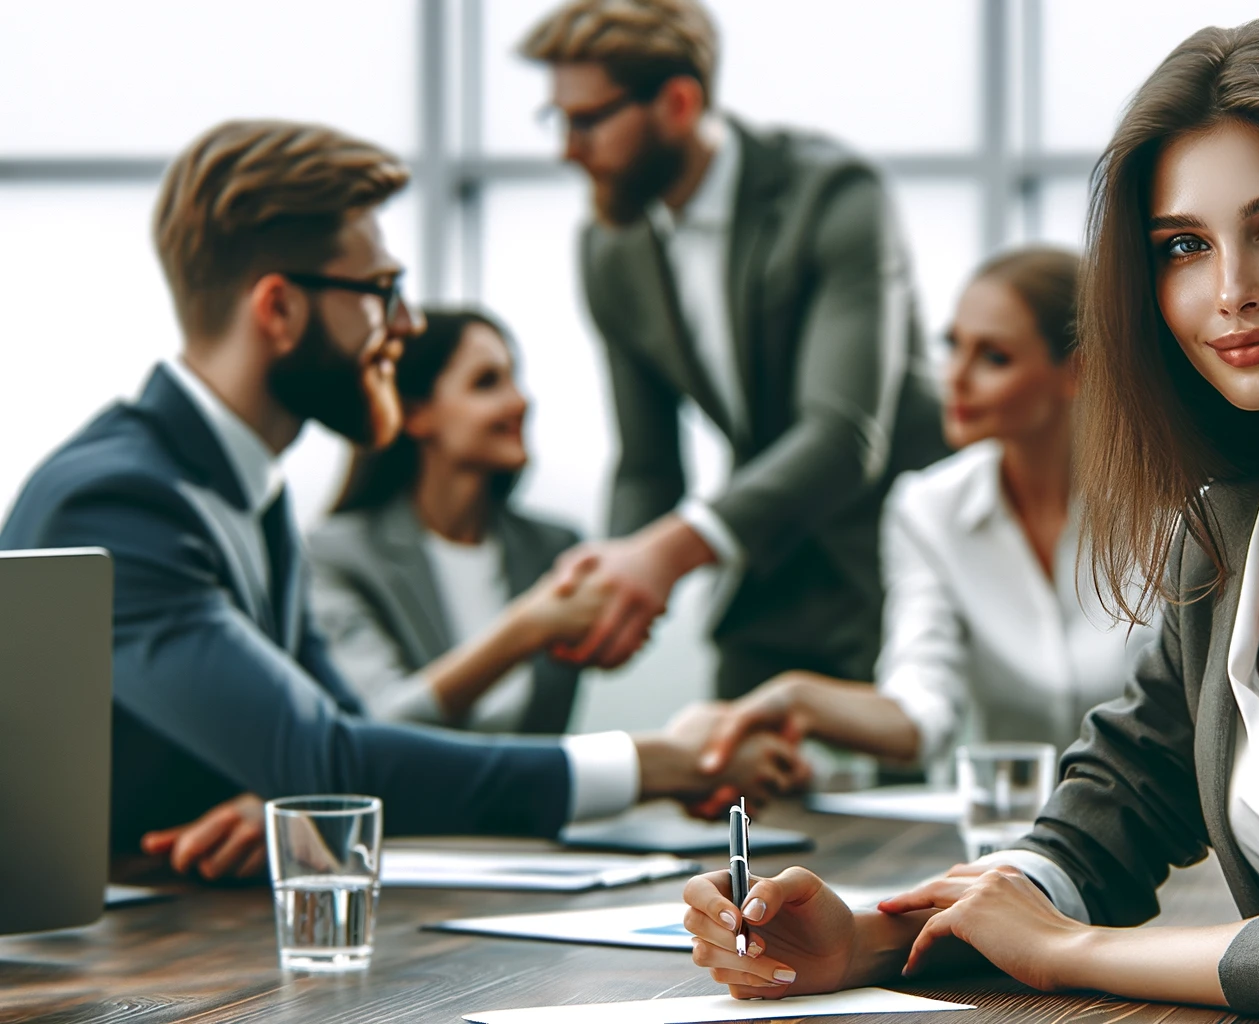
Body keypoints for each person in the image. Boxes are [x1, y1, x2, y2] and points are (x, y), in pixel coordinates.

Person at [680, 19, 1259, 1021]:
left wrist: (1073, 950)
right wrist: (865, 939)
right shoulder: (1221, 532)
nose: (1231, 291)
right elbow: (1106, 817)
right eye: (1182, 246)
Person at [0, 120, 802, 880]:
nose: (405, 323)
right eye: (381, 289)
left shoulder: (251, 489)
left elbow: (354, 738)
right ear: (278, 308)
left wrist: (298, 789)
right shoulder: (119, 503)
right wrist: (656, 761)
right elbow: (332, 763)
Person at [520, 0, 949, 698]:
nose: (568, 149)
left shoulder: (832, 195)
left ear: (679, 103)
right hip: (764, 569)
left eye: (587, 120)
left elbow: (844, 436)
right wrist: (617, 577)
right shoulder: (609, 249)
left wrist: (664, 555)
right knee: (729, 788)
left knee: (893, 803)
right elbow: (648, 467)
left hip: (894, 561)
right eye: (557, 120)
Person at [693, 246, 1155, 772]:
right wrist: (798, 699)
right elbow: (922, 707)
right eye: (952, 345)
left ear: (1077, 371)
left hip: (1168, 840)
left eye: (993, 357)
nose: (954, 377)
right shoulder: (927, 509)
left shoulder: (1173, 509)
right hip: (1013, 838)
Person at [309, 308, 592, 734]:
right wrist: (529, 627)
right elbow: (377, 723)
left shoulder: (554, 548)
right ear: (416, 414)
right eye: (487, 382)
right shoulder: (337, 554)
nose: (520, 400)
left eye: (514, 378)